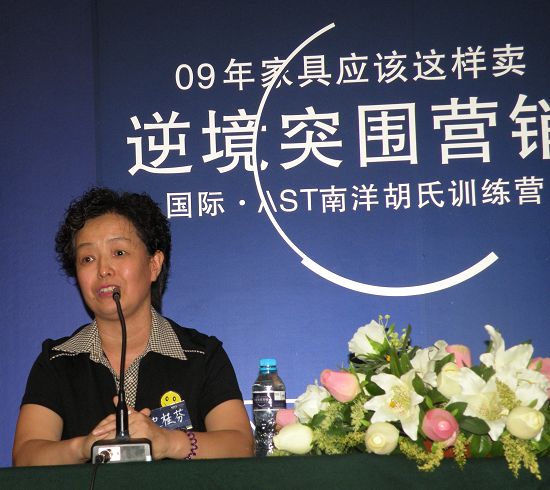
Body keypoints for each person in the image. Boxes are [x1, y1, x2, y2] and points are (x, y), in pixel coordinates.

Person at [12, 187, 254, 466]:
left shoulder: (201, 355)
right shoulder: (57, 361)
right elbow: (26, 455)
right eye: (87, 258)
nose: (103, 269)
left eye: (119, 252)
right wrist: (85, 447)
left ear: (154, 265)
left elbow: (240, 444)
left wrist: (167, 442)